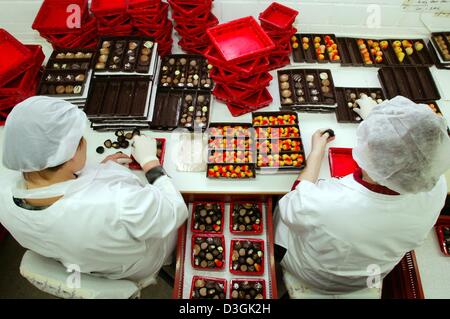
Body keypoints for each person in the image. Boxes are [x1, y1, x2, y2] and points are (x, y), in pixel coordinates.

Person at [0, 96, 188, 288]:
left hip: (85, 260)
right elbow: (174, 210)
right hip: (138, 263)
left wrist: (100, 170)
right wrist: (150, 162)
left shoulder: (3, 196)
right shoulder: (116, 203)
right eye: (81, 140)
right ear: (71, 154)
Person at [275, 95, 450, 294]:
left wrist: (316, 152)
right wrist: (374, 118)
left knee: (281, 213)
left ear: (371, 153)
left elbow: (295, 198)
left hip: (312, 272)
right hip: (370, 275)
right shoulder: (437, 189)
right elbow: (410, 151)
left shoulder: (329, 204)